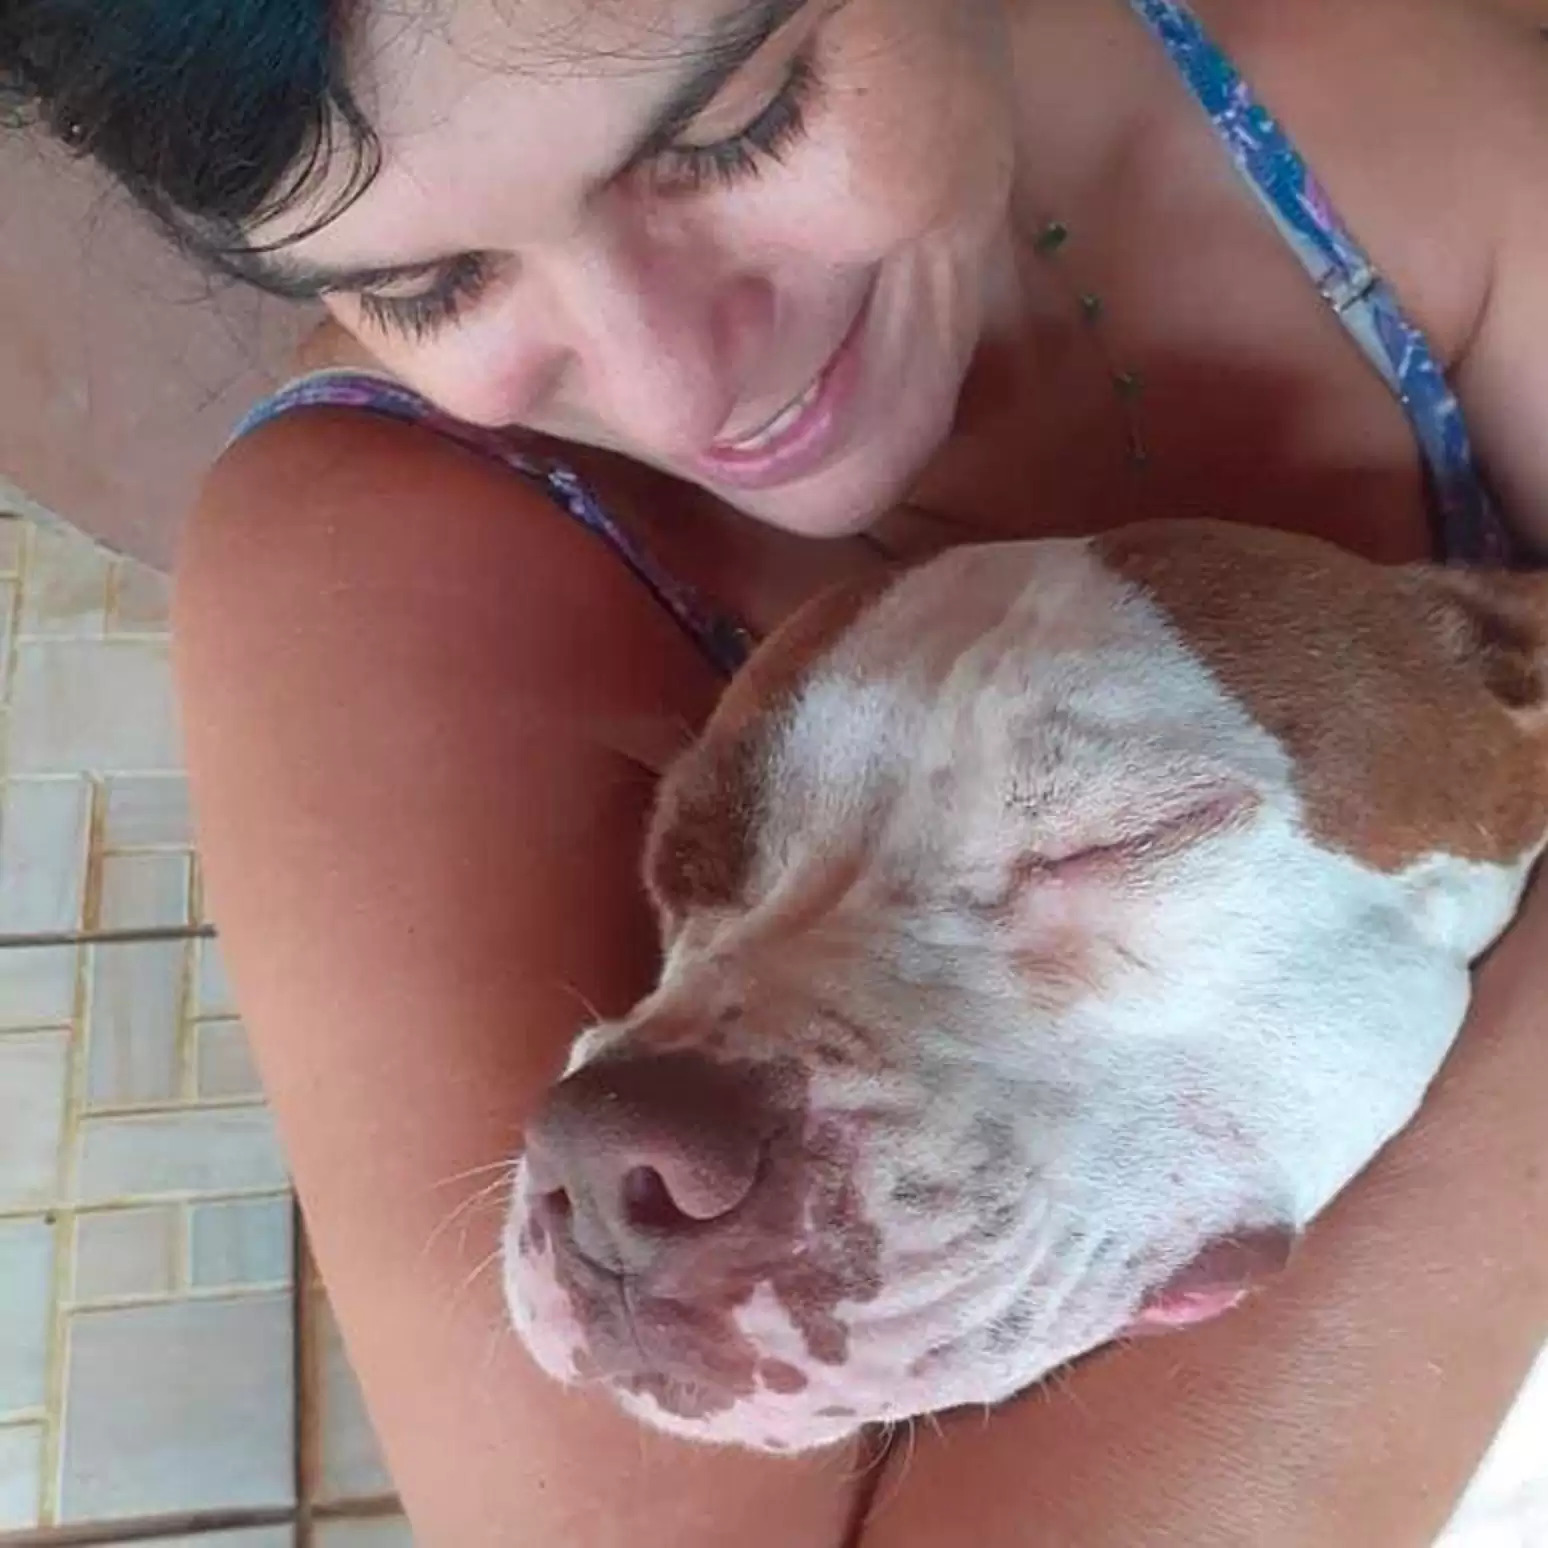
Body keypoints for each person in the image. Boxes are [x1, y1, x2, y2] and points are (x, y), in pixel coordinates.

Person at [8, 0, 1548, 1541]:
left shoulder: (1382, 110)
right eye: (425, 285)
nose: (673, 392)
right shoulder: (366, 568)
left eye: (735, 122)